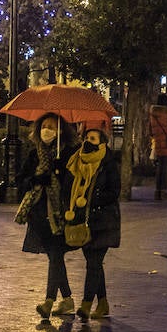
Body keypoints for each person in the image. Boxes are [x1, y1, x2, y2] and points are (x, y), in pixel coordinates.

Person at [18, 113, 79, 318]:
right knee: (55, 256)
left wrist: (59, 172)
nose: (47, 130)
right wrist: (36, 179)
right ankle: (67, 299)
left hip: (59, 213)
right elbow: (21, 180)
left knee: (55, 254)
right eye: (44, 126)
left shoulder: (69, 152)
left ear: (61, 130)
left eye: (52, 126)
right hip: (38, 214)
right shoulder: (35, 153)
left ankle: (49, 301)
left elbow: (74, 182)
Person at [62, 124, 121, 320]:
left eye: (93, 139)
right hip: (83, 222)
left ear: (103, 143)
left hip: (104, 221)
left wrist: (91, 199)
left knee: (94, 263)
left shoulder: (109, 163)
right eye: (86, 138)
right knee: (93, 263)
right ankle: (103, 303)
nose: (88, 142)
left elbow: (113, 193)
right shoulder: (76, 162)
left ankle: (86, 304)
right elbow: (68, 186)